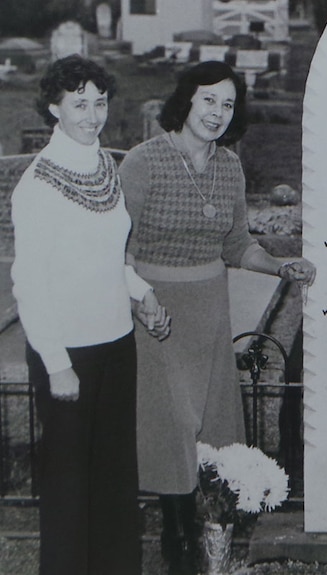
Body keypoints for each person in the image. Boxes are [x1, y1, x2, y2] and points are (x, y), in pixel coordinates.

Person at [119, 60, 315, 574]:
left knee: (207, 436)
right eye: (208, 99)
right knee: (171, 432)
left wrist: (278, 266)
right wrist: (142, 301)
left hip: (210, 313)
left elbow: (237, 245)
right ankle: (176, 543)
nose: (217, 112)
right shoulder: (144, 162)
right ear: (186, 100)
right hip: (155, 317)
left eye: (227, 104)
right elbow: (117, 249)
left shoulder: (229, 166)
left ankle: (208, 544)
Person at [10, 54, 168, 575]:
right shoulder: (36, 186)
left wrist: (142, 294)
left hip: (117, 344)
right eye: (79, 103)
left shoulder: (104, 166)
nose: (92, 115)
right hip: (68, 355)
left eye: (100, 102)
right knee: (69, 490)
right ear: (54, 108)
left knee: (115, 485)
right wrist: (56, 363)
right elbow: (28, 282)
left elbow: (105, 259)